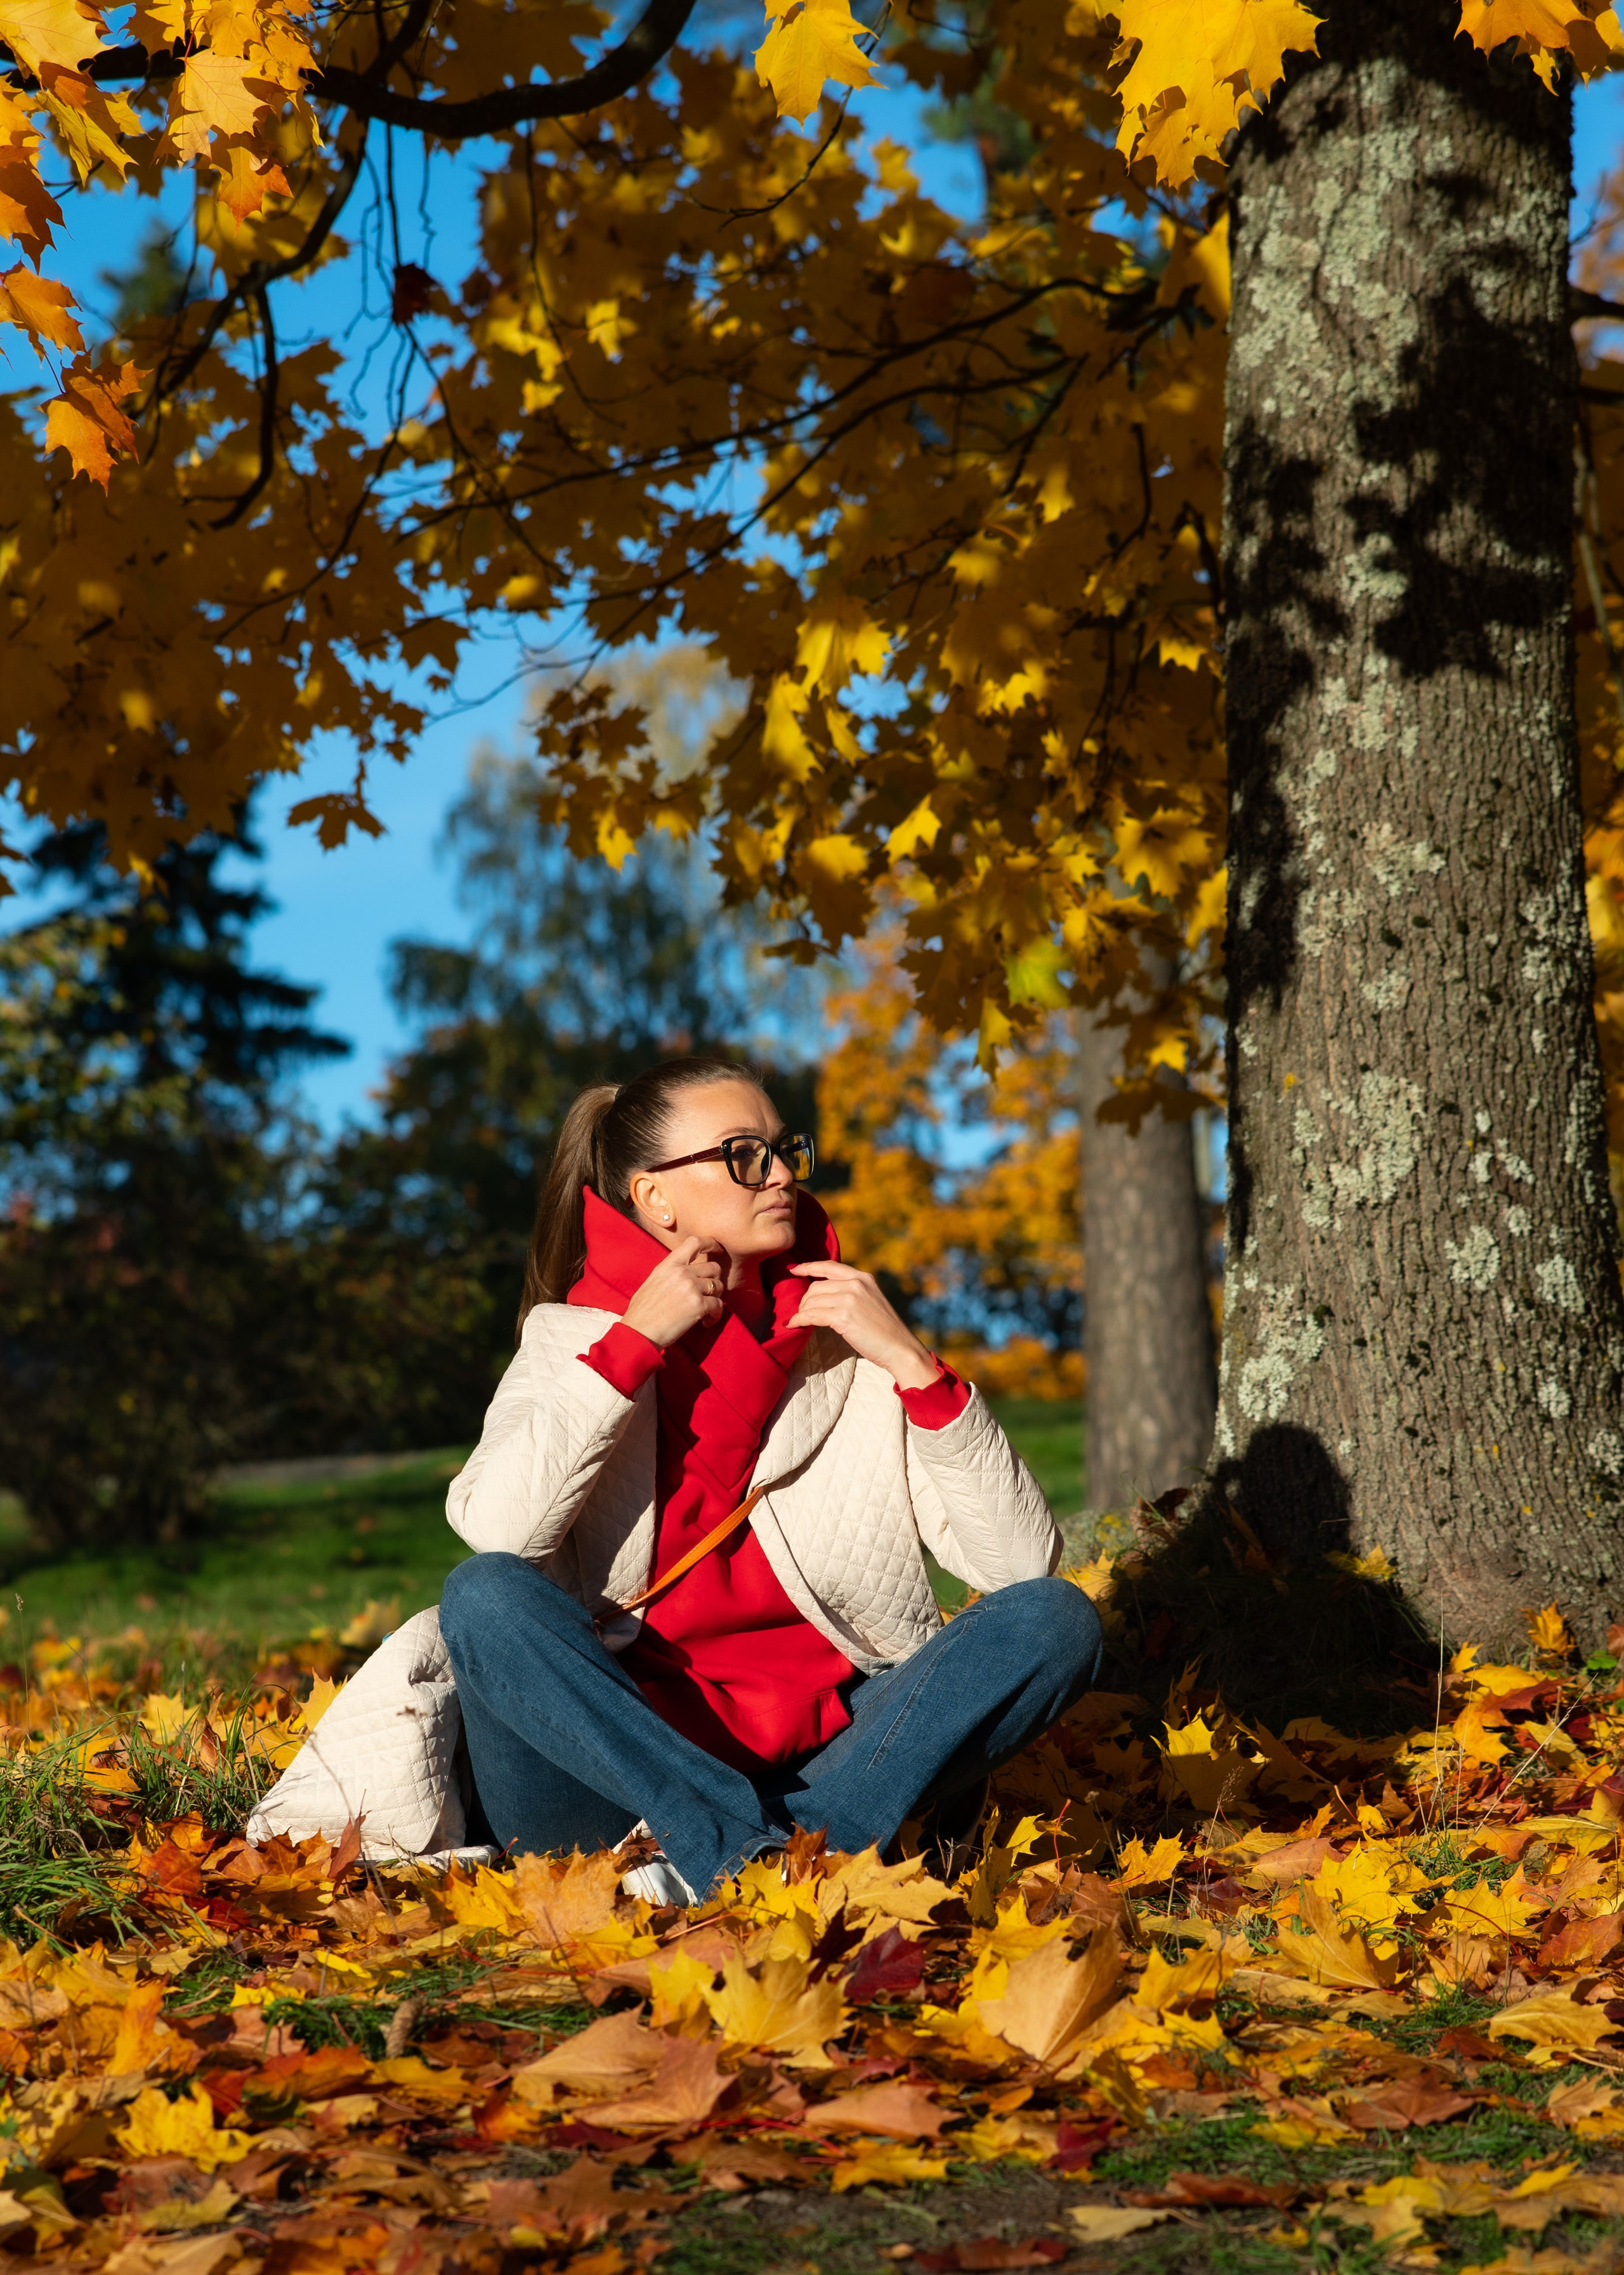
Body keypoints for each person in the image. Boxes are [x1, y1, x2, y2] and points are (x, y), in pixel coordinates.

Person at [437, 1055, 1102, 1901]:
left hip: (821, 1764)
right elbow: (500, 1528)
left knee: (1058, 1617)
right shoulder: (571, 1339)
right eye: (744, 1153)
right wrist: (633, 1345)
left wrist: (911, 1363)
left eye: (785, 1149)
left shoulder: (847, 1346)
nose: (781, 1173)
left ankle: (738, 1861)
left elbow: (1017, 1565)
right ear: (655, 1198)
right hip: (605, 1779)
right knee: (484, 1594)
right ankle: (746, 1855)